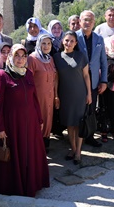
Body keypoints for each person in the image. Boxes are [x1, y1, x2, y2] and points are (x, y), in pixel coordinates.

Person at [0, 45, 50, 196]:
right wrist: (0, 128)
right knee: (15, 155)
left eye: (23, 56)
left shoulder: (28, 73)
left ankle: (31, 184)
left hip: (31, 123)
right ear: (10, 57)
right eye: (17, 55)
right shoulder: (1, 76)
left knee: (30, 153)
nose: (20, 59)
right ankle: (16, 187)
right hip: (12, 125)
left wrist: (39, 119)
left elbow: (34, 98)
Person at [53, 32, 92, 165]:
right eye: (67, 40)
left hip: (80, 94)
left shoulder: (81, 56)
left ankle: (78, 151)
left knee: (79, 123)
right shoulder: (57, 57)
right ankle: (73, 148)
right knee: (70, 123)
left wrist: (89, 94)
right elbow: (56, 78)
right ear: (62, 41)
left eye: (72, 41)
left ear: (76, 43)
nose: (69, 43)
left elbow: (86, 75)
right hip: (65, 95)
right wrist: (56, 95)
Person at [77, 10, 108, 145]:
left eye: (90, 20)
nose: (87, 22)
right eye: (85, 19)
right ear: (80, 22)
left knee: (91, 109)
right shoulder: (74, 37)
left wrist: (104, 81)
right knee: (78, 109)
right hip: (77, 80)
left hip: (94, 80)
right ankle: (77, 137)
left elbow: (103, 62)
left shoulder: (99, 39)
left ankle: (89, 135)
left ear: (94, 22)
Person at [28, 34, 58, 147]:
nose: (46, 46)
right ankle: (37, 145)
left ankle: (46, 140)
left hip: (49, 97)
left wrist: (56, 95)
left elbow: (55, 77)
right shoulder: (32, 58)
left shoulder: (50, 59)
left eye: (49, 43)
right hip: (37, 97)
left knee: (48, 117)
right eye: (43, 43)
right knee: (38, 119)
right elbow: (28, 80)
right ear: (39, 44)